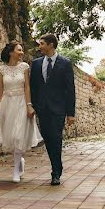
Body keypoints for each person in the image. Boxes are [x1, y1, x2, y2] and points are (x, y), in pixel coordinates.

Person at [0, 41, 42, 182]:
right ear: (11, 52)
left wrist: (29, 105)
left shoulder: (24, 67)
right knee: (12, 138)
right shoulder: (2, 69)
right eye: (19, 50)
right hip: (7, 104)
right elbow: (0, 89)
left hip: (21, 102)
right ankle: (20, 161)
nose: (22, 53)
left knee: (18, 135)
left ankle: (15, 171)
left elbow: (27, 87)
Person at [29, 33, 76, 185]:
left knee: (56, 137)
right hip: (42, 108)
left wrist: (70, 113)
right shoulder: (36, 64)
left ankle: (56, 171)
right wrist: (33, 105)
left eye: (42, 43)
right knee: (48, 138)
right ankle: (56, 166)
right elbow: (33, 87)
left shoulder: (65, 63)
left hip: (58, 108)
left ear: (51, 45)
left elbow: (70, 89)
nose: (39, 46)